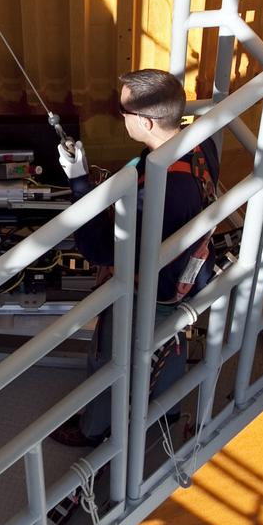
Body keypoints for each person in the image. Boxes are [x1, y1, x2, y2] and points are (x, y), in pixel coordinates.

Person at [52, 68, 219, 446]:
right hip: (189, 276)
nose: (120, 117)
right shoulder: (198, 144)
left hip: (152, 290)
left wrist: (78, 181)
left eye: (123, 112)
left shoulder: (161, 193)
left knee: (108, 361)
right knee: (170, 345)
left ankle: (94, 430)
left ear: (145, 121)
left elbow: (97, 248)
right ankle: (168, 409)